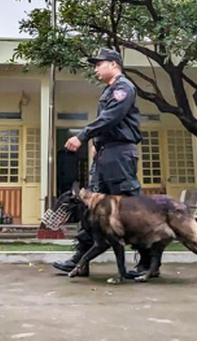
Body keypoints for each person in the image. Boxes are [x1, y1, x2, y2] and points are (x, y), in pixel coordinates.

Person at [52, 48, 152, 278]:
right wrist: (97, 142)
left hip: (120, 154)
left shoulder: (123, 88)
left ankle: (147, 262)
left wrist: (83, 135)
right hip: (107, 154)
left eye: (99, 64)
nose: (96, 68)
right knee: (92, 207)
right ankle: (80, 260)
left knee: (132, 208)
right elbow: (107, 124)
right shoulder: (109, 90)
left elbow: (111, 118)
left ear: (114, 64)